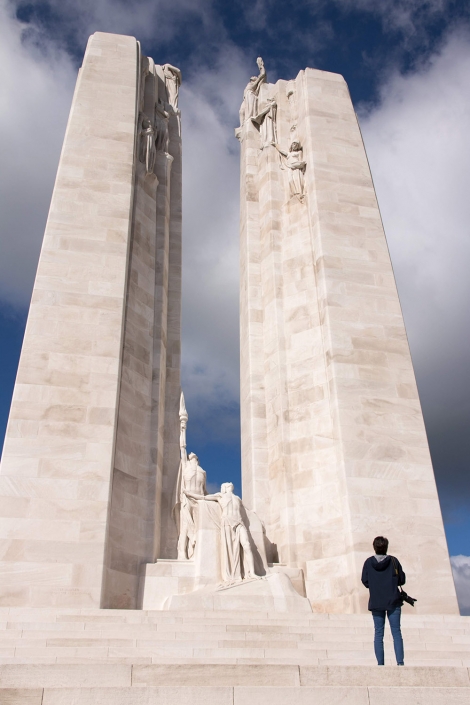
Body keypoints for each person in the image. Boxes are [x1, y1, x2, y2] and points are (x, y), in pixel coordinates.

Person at [361, 536, 405, 666]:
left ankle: (380, 664)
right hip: (393, 600)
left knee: (378, 633)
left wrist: (375, 586)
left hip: (376, 601)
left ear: (374, 547)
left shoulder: (368, 562)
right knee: (396, 632)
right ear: (386, 547)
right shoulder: (393, 561)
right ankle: (400, 663)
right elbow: (402, 580)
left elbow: (365, 580)